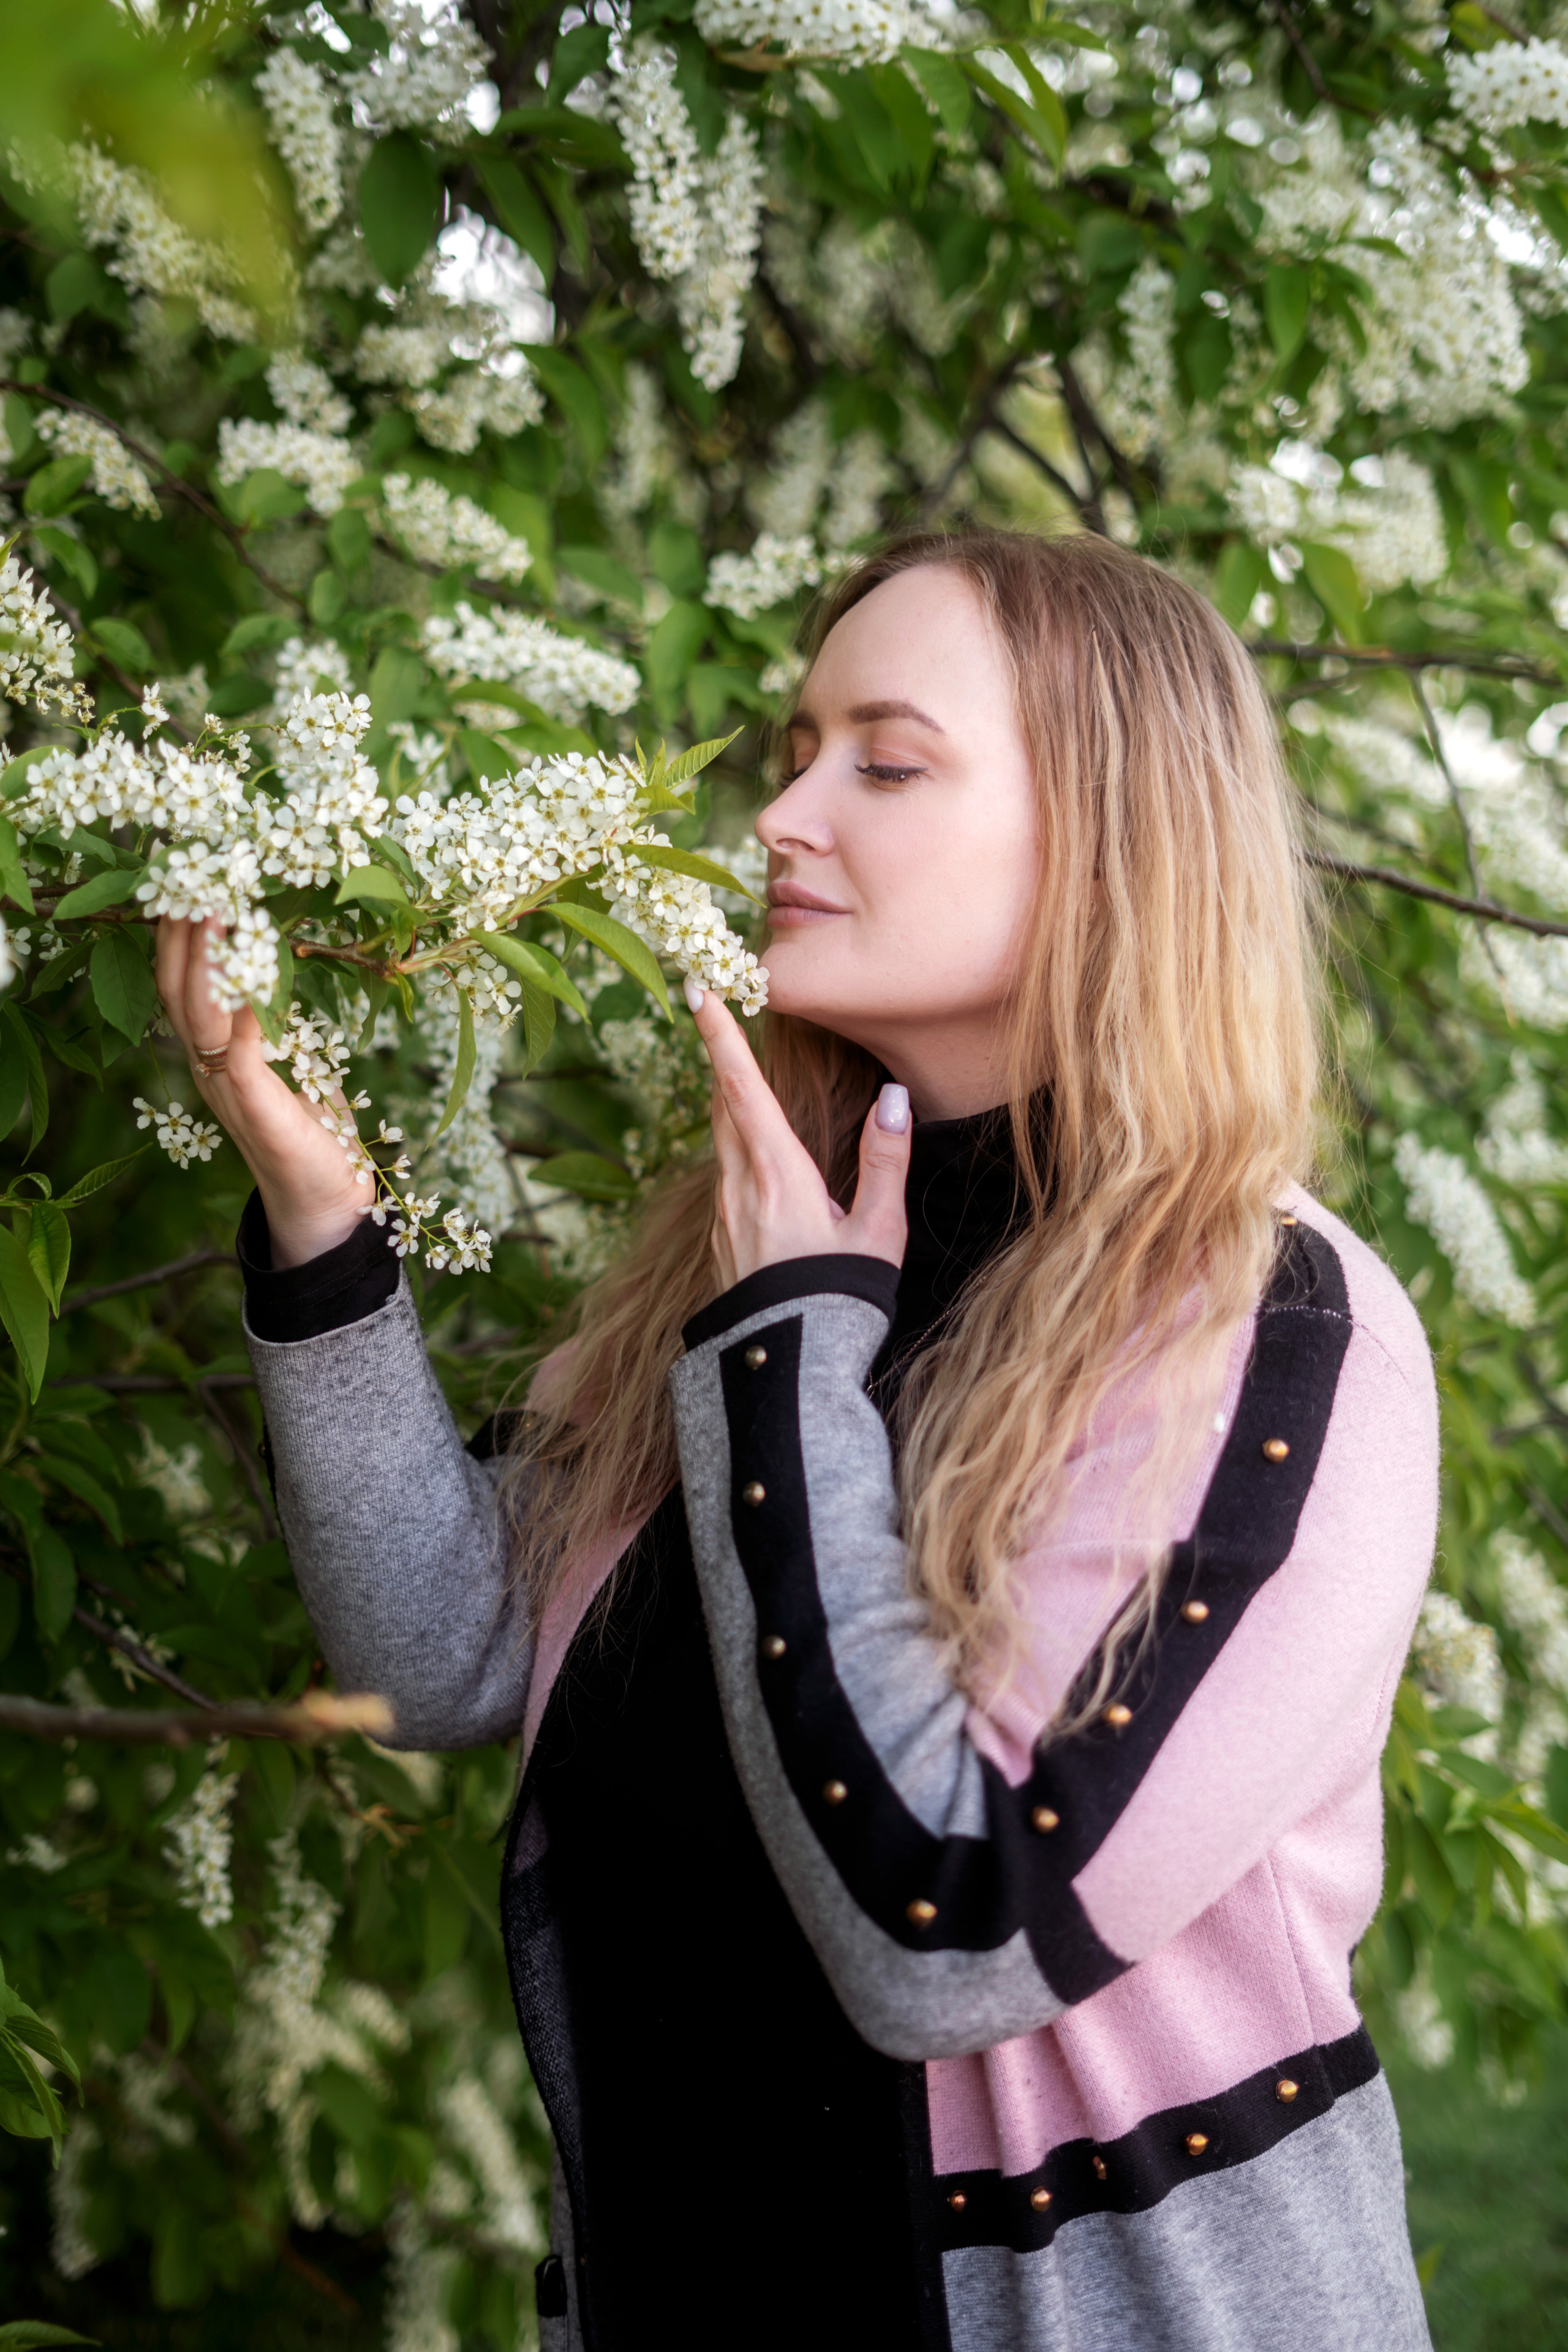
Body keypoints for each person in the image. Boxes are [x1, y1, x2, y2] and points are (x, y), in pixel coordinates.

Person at [155, 529, 1438, 2352]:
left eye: (887, 762)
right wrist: (321, 1231)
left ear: (1113, 837)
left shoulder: (1268, 1328)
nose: (783, 815)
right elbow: (440, 1653)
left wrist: (783, 1351)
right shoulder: (782, 1236)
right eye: (795, 750)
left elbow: (956, 1924)